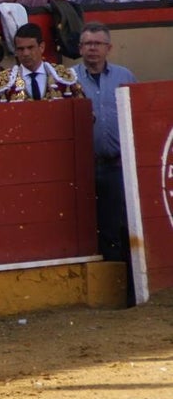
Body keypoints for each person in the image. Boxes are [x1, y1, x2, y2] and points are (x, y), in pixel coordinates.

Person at [73, 22, 137, 287]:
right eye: (88, 44)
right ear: (79, 48)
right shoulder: (68, 78)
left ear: (108, 48)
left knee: (117, 224)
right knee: (84, 226)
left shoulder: (125, 77)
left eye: (98, 44)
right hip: (79, 167)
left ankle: (119, 284)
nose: (92, 49)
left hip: (116, 165)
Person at [0, 22, 84, 102]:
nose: (25, 53)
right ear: (15, 51)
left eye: (30, 47)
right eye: (20, 49)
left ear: (41, 47)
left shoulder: (65, 77)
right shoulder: (2, 82)